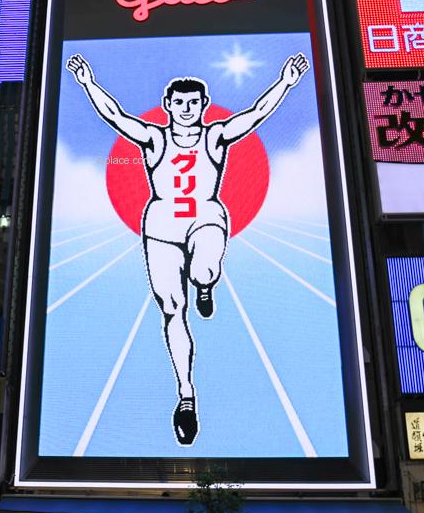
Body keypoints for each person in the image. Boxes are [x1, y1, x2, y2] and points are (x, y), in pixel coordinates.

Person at [66, 52, 309, 445]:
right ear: (168, 106)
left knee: (203, 270)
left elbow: (256, 113)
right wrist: (88, 83)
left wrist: (285, 82)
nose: (185, 109)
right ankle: (186, 395)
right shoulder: (153, 137)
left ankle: (206, 283)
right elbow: (115, 116)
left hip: (206, 217)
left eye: (193, 103)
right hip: (161, 226)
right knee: (172, 309)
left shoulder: (215, 136)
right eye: (179, 103)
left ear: (203, 106)